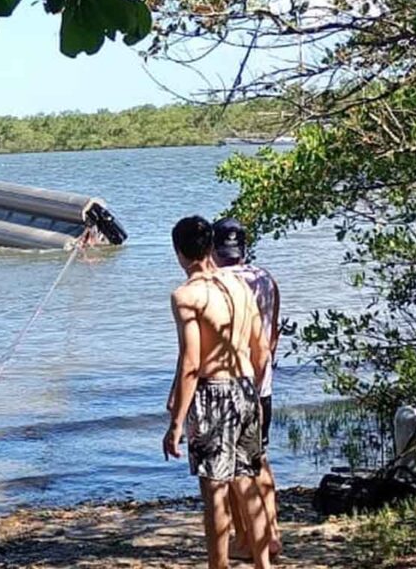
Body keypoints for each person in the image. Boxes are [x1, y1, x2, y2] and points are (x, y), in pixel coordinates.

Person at [164, 216, 273, 569]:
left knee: (214, 491)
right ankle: (263, 564)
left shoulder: (186, 295)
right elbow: (261, 349)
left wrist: (176, 422)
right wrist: (253, 392)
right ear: (211, 247)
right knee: (247, 483)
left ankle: (219, 566)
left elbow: (191, 363)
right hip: (245, 388)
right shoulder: (240, 287)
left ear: (179, 252)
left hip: (214, 393)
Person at [212, 218, 283, 560]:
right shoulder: (266, 278)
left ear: (214, 249)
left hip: (230, 385)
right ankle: (272, 535)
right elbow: (271, 336)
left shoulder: (217, 283)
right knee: (259, 458)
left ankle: (245, 540)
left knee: (230, 471)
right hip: (262, 383)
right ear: (244, 248)